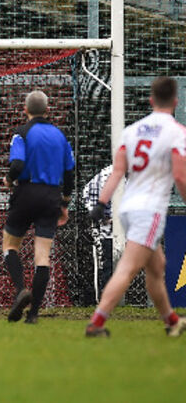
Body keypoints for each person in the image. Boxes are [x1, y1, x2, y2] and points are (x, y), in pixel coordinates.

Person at [86, 76, 186, 337]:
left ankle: (172, 321)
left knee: (156, 267)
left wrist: (101, 203)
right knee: (128, 268)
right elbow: (180, 176)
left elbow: (117, 172)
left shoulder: (132, 131)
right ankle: (96, 323)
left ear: (151, 100)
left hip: (127, 208)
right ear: (175, 102)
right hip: (149, 211)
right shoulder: (177, 132)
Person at [2, 90, 75, 324]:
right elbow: (69, 173)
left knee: (10, 245)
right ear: (47, 110)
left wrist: (9, 179)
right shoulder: (60, 136)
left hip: (27, 192)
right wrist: (65, 202)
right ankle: (33, 314)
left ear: (25, 110)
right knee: (42, 256)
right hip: (51, 196)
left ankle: (21, 290)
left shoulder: (21, 133)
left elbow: (17, 164)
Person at [82, 165, 119, 303]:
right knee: (107, 262)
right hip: (107, 229)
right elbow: (88, 192)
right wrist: (102, 217)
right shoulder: (107, 175)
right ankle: (106, 298)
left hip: (126, 227)